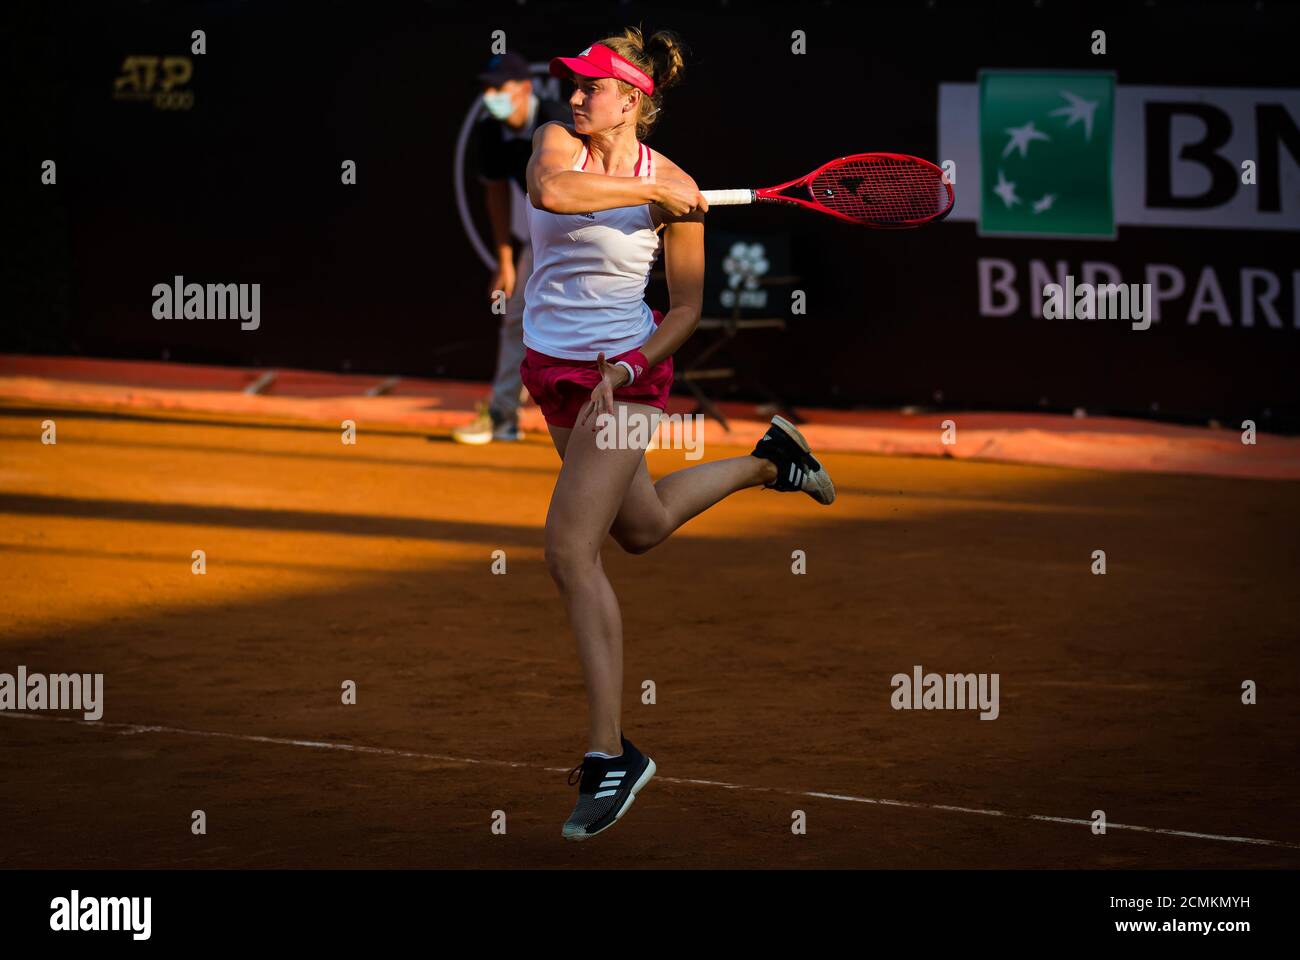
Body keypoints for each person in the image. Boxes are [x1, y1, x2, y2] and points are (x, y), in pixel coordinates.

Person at [521, 26, 837, 841]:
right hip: (550, 368)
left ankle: (609, 755)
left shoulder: (680, 185)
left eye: (594, 87)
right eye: (576, 84)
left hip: (622, 375)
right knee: (643, 526)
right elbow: (552, 193)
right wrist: (650, 201)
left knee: (567, 548)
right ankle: (772, 461)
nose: (576, 97)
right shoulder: (560, 145)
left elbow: (689, 309)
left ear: (634, 100)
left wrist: (628, 367)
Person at [454, 52, 571, 444]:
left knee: (602, 318)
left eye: (497, 88)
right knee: (515, 317)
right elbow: (497, 197)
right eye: (485, 89)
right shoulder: (490, 132)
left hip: (591, 232)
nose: (490, 96)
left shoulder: (557, 119)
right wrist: (504, 259)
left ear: (524, 89)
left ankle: (630, 418)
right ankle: (503, 418)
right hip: (541, 238)